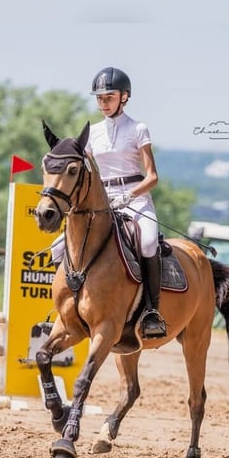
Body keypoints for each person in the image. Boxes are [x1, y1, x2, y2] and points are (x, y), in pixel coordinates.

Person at [51, 66, 166, 339]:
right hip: (102, 201)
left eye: (109, 97)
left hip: (134, 197)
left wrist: (129, 196)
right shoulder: (93, 133)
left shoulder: (138, 129)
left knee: (148, 242)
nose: (103, 103)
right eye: (100, 98)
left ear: (124, 97)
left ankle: (152, 311)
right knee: (58, 248)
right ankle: (63, 310)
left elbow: (152, 177)